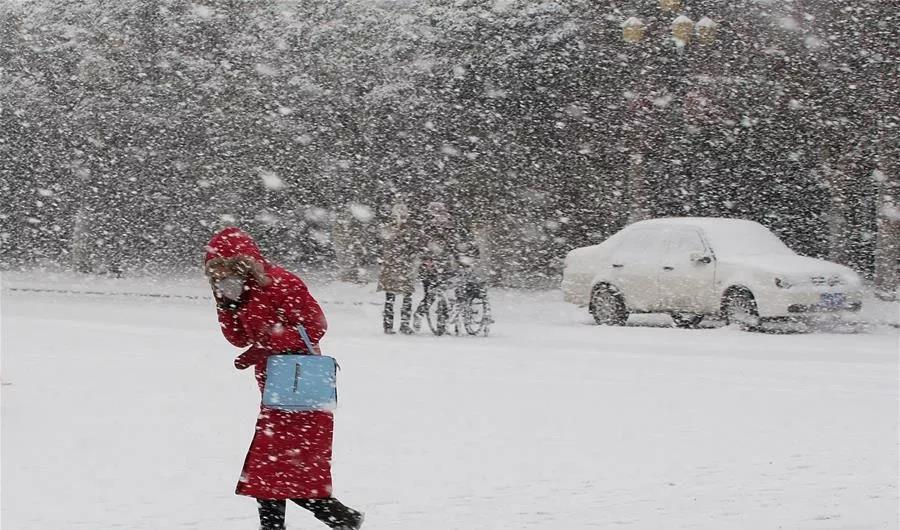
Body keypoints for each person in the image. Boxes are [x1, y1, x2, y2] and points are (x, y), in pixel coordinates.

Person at [203, 227, 363, 530]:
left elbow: (315, 325)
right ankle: (340, 518)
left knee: (274, 472)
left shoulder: (281, 283)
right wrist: (227, 306)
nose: (221, 272)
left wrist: (267, 344)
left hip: (302, 387)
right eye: (215, 269)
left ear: (245, 261)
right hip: (275, 391)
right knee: (271, 471)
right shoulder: (239, 292)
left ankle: (341, 518)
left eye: (226, 264)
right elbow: (237, 339)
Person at [377, 203, 418, 334]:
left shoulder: (410, 230)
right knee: (390, 297)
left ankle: (404, 324)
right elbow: (387, 243)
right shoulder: (389, 229)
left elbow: (413, 246)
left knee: (407, 297)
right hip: (392, 268)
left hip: (405, 267)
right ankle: (388, 325)